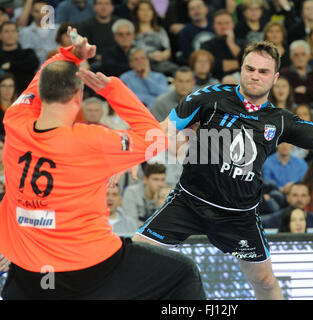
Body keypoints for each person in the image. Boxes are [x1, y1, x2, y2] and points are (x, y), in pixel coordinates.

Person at [133, 39, 313, 300]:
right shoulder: (210, 97)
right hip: (189, 202)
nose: (255, 76)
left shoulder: (279, 120)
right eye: (250, 69)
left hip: (239, 216)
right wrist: (130, 158)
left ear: (275, 77)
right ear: (241, 69)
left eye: (263, 71)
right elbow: (162, 128)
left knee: (265, 282)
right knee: (136, 255)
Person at [0, 27, 205, 300]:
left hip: (28, 271)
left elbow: (41, 80)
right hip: (88, 268)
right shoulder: (92, 141)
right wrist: (113, 89)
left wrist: (67, 55)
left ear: (40, 95)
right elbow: (156, 138)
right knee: (184, 272)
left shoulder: (14, 122)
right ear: (78, 97)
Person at [132, 0, 178, 76]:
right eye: (142, 10)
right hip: (141, 64)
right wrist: (149, 56)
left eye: (149, 10)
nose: (146, 13)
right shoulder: (131, 31)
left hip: (161, 62)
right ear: (136, 13)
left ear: (153, 12)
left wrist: (162, 55)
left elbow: (168, 50)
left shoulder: (160, 30)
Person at [279, 40, 313, 107]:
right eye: (296, 55)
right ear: (291, 57)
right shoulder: (284, 73)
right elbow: (289, 95)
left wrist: (306, 90)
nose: (300, 58)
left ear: (309, 56)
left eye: (303, 54)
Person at [200, 9, 244, 80]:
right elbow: (214, 66)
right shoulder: (206, 45)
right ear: (214, 26)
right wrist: (241, 64)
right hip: (216, 82)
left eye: (227, 23)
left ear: (233, 24)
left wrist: (231, 43)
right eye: (219, 23)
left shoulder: (242, 43)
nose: (223, 26)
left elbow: (247, 61)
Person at [0, 21, 39, 94]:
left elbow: (34, 64)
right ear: (0, 35)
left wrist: (11, 65)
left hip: (27, 95)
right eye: (6, 31)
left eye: (13, 31)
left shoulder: (27, 53)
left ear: (18, 34)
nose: (10, 34)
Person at [122, 163, 167, 227]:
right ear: (145, 179)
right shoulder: (131, 192)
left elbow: (168, 224)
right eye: (156, 179)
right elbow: (131, 223)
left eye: (162, 180)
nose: (160, 184)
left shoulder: (166, 195)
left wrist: (161, 206)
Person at [18, 0, 59, 66]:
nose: (40, 15)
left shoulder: (58, 29)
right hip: (34, 71)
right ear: (31, 12)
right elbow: (25, 57)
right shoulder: (25, 32)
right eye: (36, 11)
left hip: (57, 68)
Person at [177, 0, 215, 65]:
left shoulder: (216, 27)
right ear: (188, 13)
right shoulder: (185, 32)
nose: (196, 11)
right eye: (192, 9)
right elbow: (188, 57)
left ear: (206, 9)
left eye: (199, 7)